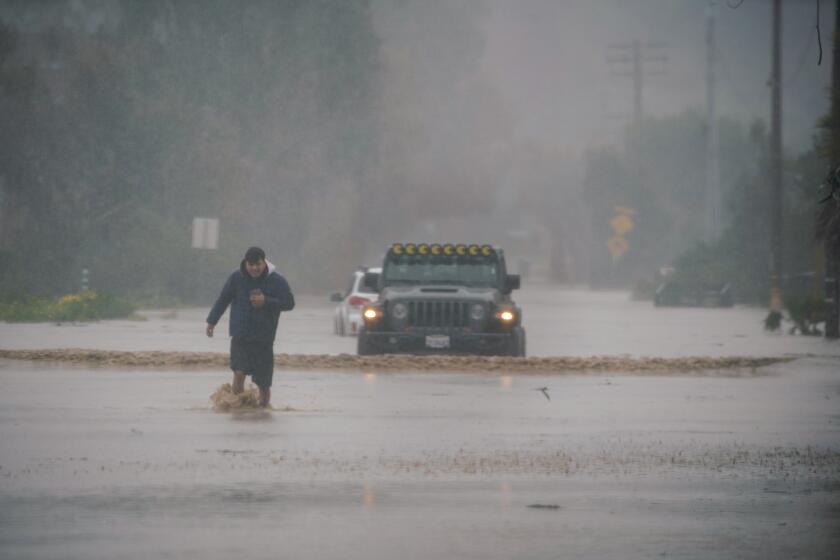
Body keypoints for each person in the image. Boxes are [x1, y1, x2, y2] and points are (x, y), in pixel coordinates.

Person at [206, 246, 295, 407]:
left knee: (263, 383)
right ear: (245, 263)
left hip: (264, 338)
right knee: (239, 372)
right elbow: (223, 299)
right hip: (241, 334)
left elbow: (289, 303)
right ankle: (238, 410)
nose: (254, 268)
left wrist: (266, 301)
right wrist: (212, 321)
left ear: (264, 262)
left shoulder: (276, 280)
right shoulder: (236, 278)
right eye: (251, 264)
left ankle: (263, 412)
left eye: (258, 264)